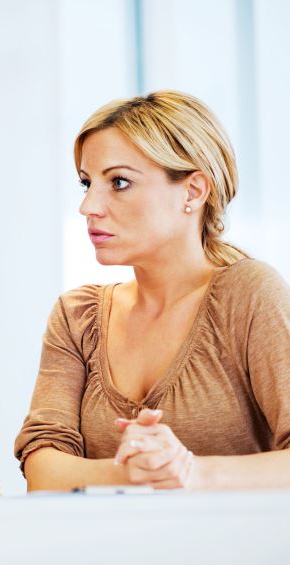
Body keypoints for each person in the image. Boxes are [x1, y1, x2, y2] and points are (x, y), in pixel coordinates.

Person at [15, 91, 290, 491]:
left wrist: (189, 470)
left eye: (119, 182)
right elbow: (42, 471)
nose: (88, 206)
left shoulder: (250, 295)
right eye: (87, 183)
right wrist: (132, 472)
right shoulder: (76, 316)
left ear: (194, 192)